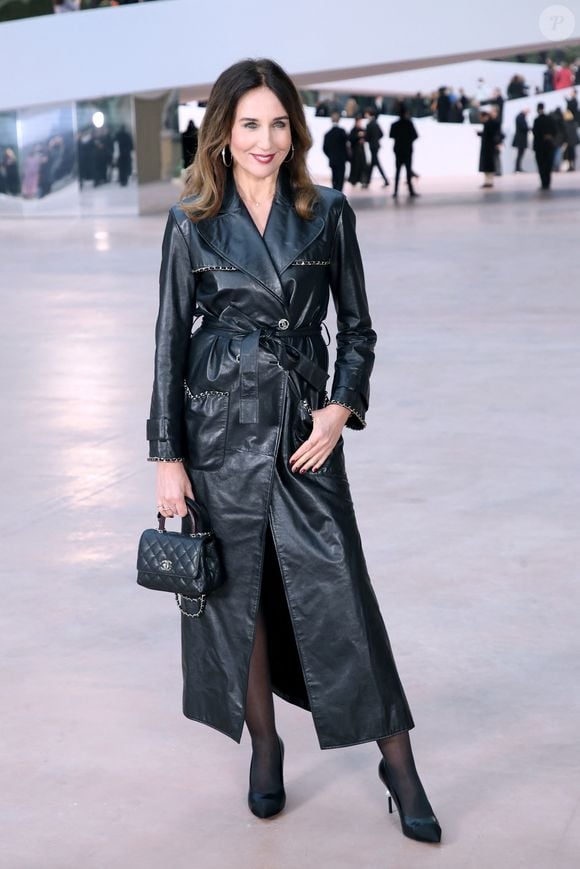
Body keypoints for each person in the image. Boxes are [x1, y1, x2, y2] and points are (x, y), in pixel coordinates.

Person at [147, 57, 441, 845]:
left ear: (295, 131)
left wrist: (340, 407)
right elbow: (170, 343)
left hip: (305, 432)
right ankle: (266, 745)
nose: (265, 139)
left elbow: (359, 328)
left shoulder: (328, 211)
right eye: (250, 124)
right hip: (216, 433)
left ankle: (399, 763)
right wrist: (166, 456)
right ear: (223, 132)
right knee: (237, 599)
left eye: (279, 123)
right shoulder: (192, 220)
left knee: (341, 591)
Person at [389, 104, 419, 198]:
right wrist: (408, 141)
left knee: (397, 171)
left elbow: (391, 135)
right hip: (407, 150)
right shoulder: (409, 124)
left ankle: (395, 191)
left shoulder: (395, 125)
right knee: (408, 170)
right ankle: (410, 190)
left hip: (398, 150)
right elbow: (415, 136)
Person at [532, 102, 557, 190]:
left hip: (539, 147)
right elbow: (554, 131)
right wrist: (549, 136)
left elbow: (535, 133)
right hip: (548, 146)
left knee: (541, 165)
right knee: (548, 165)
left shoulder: (537, 120)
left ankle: (544, 183)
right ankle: (547, 182)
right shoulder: (550, 119)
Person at [322, 111, 349, 191]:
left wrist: (330, 156)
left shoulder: (327, 134)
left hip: (333, 160)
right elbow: (346, 144)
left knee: (334, 177)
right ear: (339, 120)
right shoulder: (342, 132)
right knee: (340, 178)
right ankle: (340, 195)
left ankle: (335, 193)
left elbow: (324, 148)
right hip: (341, 159)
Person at [477, 107, 502, 188]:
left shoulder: (495, 122)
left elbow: (496, 134)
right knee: (486, 164)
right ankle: (487, 181)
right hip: (487, 146)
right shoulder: (489, 122)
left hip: (491, 146)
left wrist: (498, 143)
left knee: (490, 164)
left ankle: (490, 181)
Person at [364, 108, 389, 186]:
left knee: (376, 163)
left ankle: (385, 180)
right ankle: (368, 181)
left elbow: (367, 137)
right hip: (377, 145)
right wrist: (376, 139)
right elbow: (382, 134)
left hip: (372, 146)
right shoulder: (376, 123)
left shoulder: (369, 124)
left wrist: (367, 139)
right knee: (373, 163)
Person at [348, 115, 369, 186]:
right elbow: (351, 139)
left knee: (363, 166)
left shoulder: (363, 130)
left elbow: (367, 137)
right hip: (355, 151)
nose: (360, 123)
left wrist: (363, 139)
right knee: (355, 166)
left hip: (361, 151)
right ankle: (354, 180)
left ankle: (362, 180)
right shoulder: (353, 130)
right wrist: (358, 136)